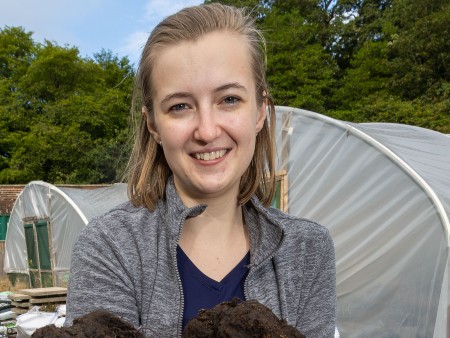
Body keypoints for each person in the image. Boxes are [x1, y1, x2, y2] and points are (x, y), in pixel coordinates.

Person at [65, 3, 336, 337]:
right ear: (152, 124)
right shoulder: (110, 247)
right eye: (180, 106)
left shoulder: (307, 249)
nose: (207, 131)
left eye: (229, 99)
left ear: (260, 111)